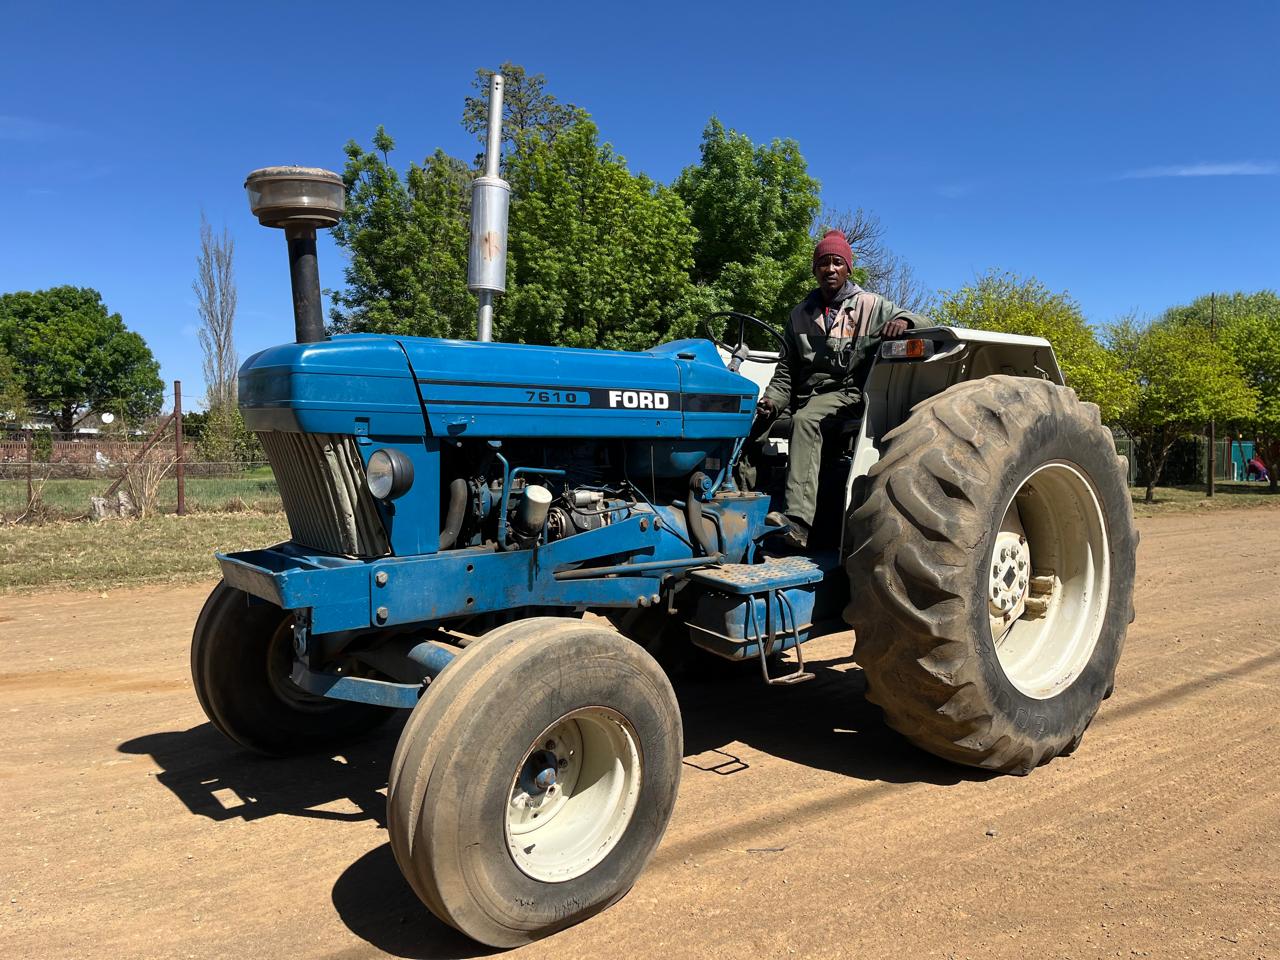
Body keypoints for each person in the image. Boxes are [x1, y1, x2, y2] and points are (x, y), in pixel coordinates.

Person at [756, 229, 928, 549]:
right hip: (805, 395)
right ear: (815, 270)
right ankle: (747, 504)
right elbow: (785, 372)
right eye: (823, 262)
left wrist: (903, 323)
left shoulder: (868, 306)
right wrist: (771, 402)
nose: (830, 269)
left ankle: (798, 522)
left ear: (848, 268)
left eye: (837, 262)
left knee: (806, 421)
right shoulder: (799, 315)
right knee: (752, 422)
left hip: (846, 394)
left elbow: (918, 318)